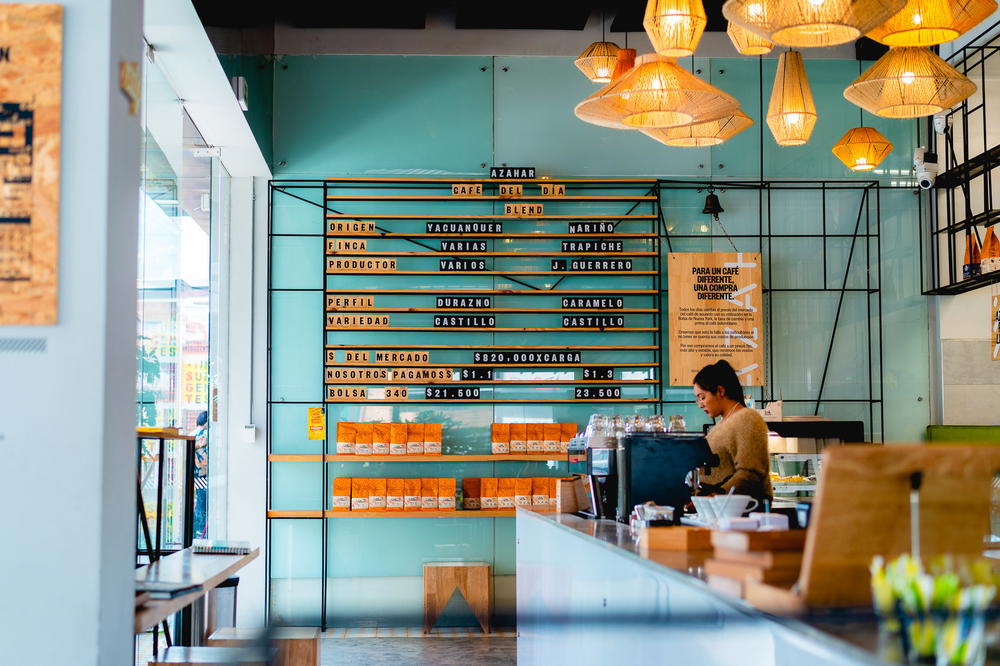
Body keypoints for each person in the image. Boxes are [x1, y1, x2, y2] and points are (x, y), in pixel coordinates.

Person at [692, 360, 772, 503]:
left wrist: (716, 497)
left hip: (741, 513)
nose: (700, 404)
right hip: (719, 510)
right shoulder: (723, 423)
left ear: (721, 391)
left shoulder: (747, 418)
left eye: (702, 397)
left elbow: (750, 473)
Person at [192, 410, 209, 539]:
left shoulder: (192, 434)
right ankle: (201, 531)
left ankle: (198, 530)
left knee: (200, 501)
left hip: (195, 474)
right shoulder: (205, 434)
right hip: (204, 473)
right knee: (203, 502)